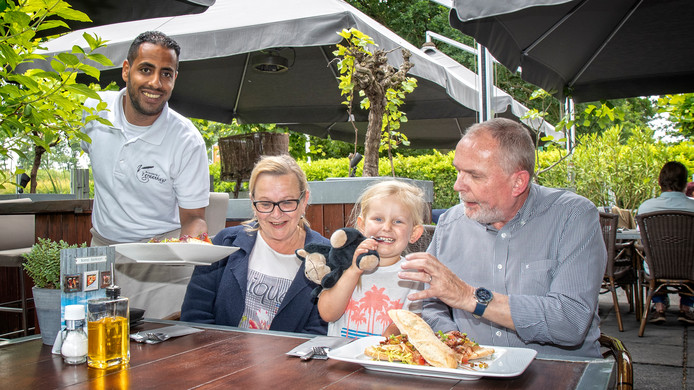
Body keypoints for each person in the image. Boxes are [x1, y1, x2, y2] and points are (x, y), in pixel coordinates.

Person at [400, 118, 606, 358]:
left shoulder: (573, 216)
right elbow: (431, 304)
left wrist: (470, 297)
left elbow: (570, 322)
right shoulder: (450, 224)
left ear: (518, 182)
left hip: (556, 371)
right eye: (458, 171)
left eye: (475, 176)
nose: (458, 185)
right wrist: (457, 346)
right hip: (473, 373)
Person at [81, 31, 210, 318]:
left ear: (175, 78)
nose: (155, 82)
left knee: (159, 348)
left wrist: (194, 247)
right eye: (146, 69)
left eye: (166, 73)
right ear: (127, 70)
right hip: (102, 252)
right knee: (94, 343)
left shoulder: (186, 140)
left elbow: (193, 217)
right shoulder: (92, 112)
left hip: (159, 260)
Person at [181, 155, 328, 334]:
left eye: (287, 202)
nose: (276, 214)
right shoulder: (225, 244)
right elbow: (195, 317)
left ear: (304, 201)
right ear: (252, 202)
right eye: (265, 204)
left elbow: (320, 331)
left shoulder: (327, 258)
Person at [318, 180, 426, 338]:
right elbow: (328, 314)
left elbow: (414, 322)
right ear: (362, 225)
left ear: (414, 233)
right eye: (378, 219)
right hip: (340, 358)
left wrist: (394, 332)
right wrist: (354, 270)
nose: (387, 227)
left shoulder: (413, 274)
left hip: (383, 360)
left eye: (398, 221)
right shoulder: (343, 260)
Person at [637, 161, 694, 324]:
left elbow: (642, 239)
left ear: (659, 182)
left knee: (646, 256)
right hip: (690, 267)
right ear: (685, 182)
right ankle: (685, 308)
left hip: (656, 267)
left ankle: (659, 306)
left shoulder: (646, 208)